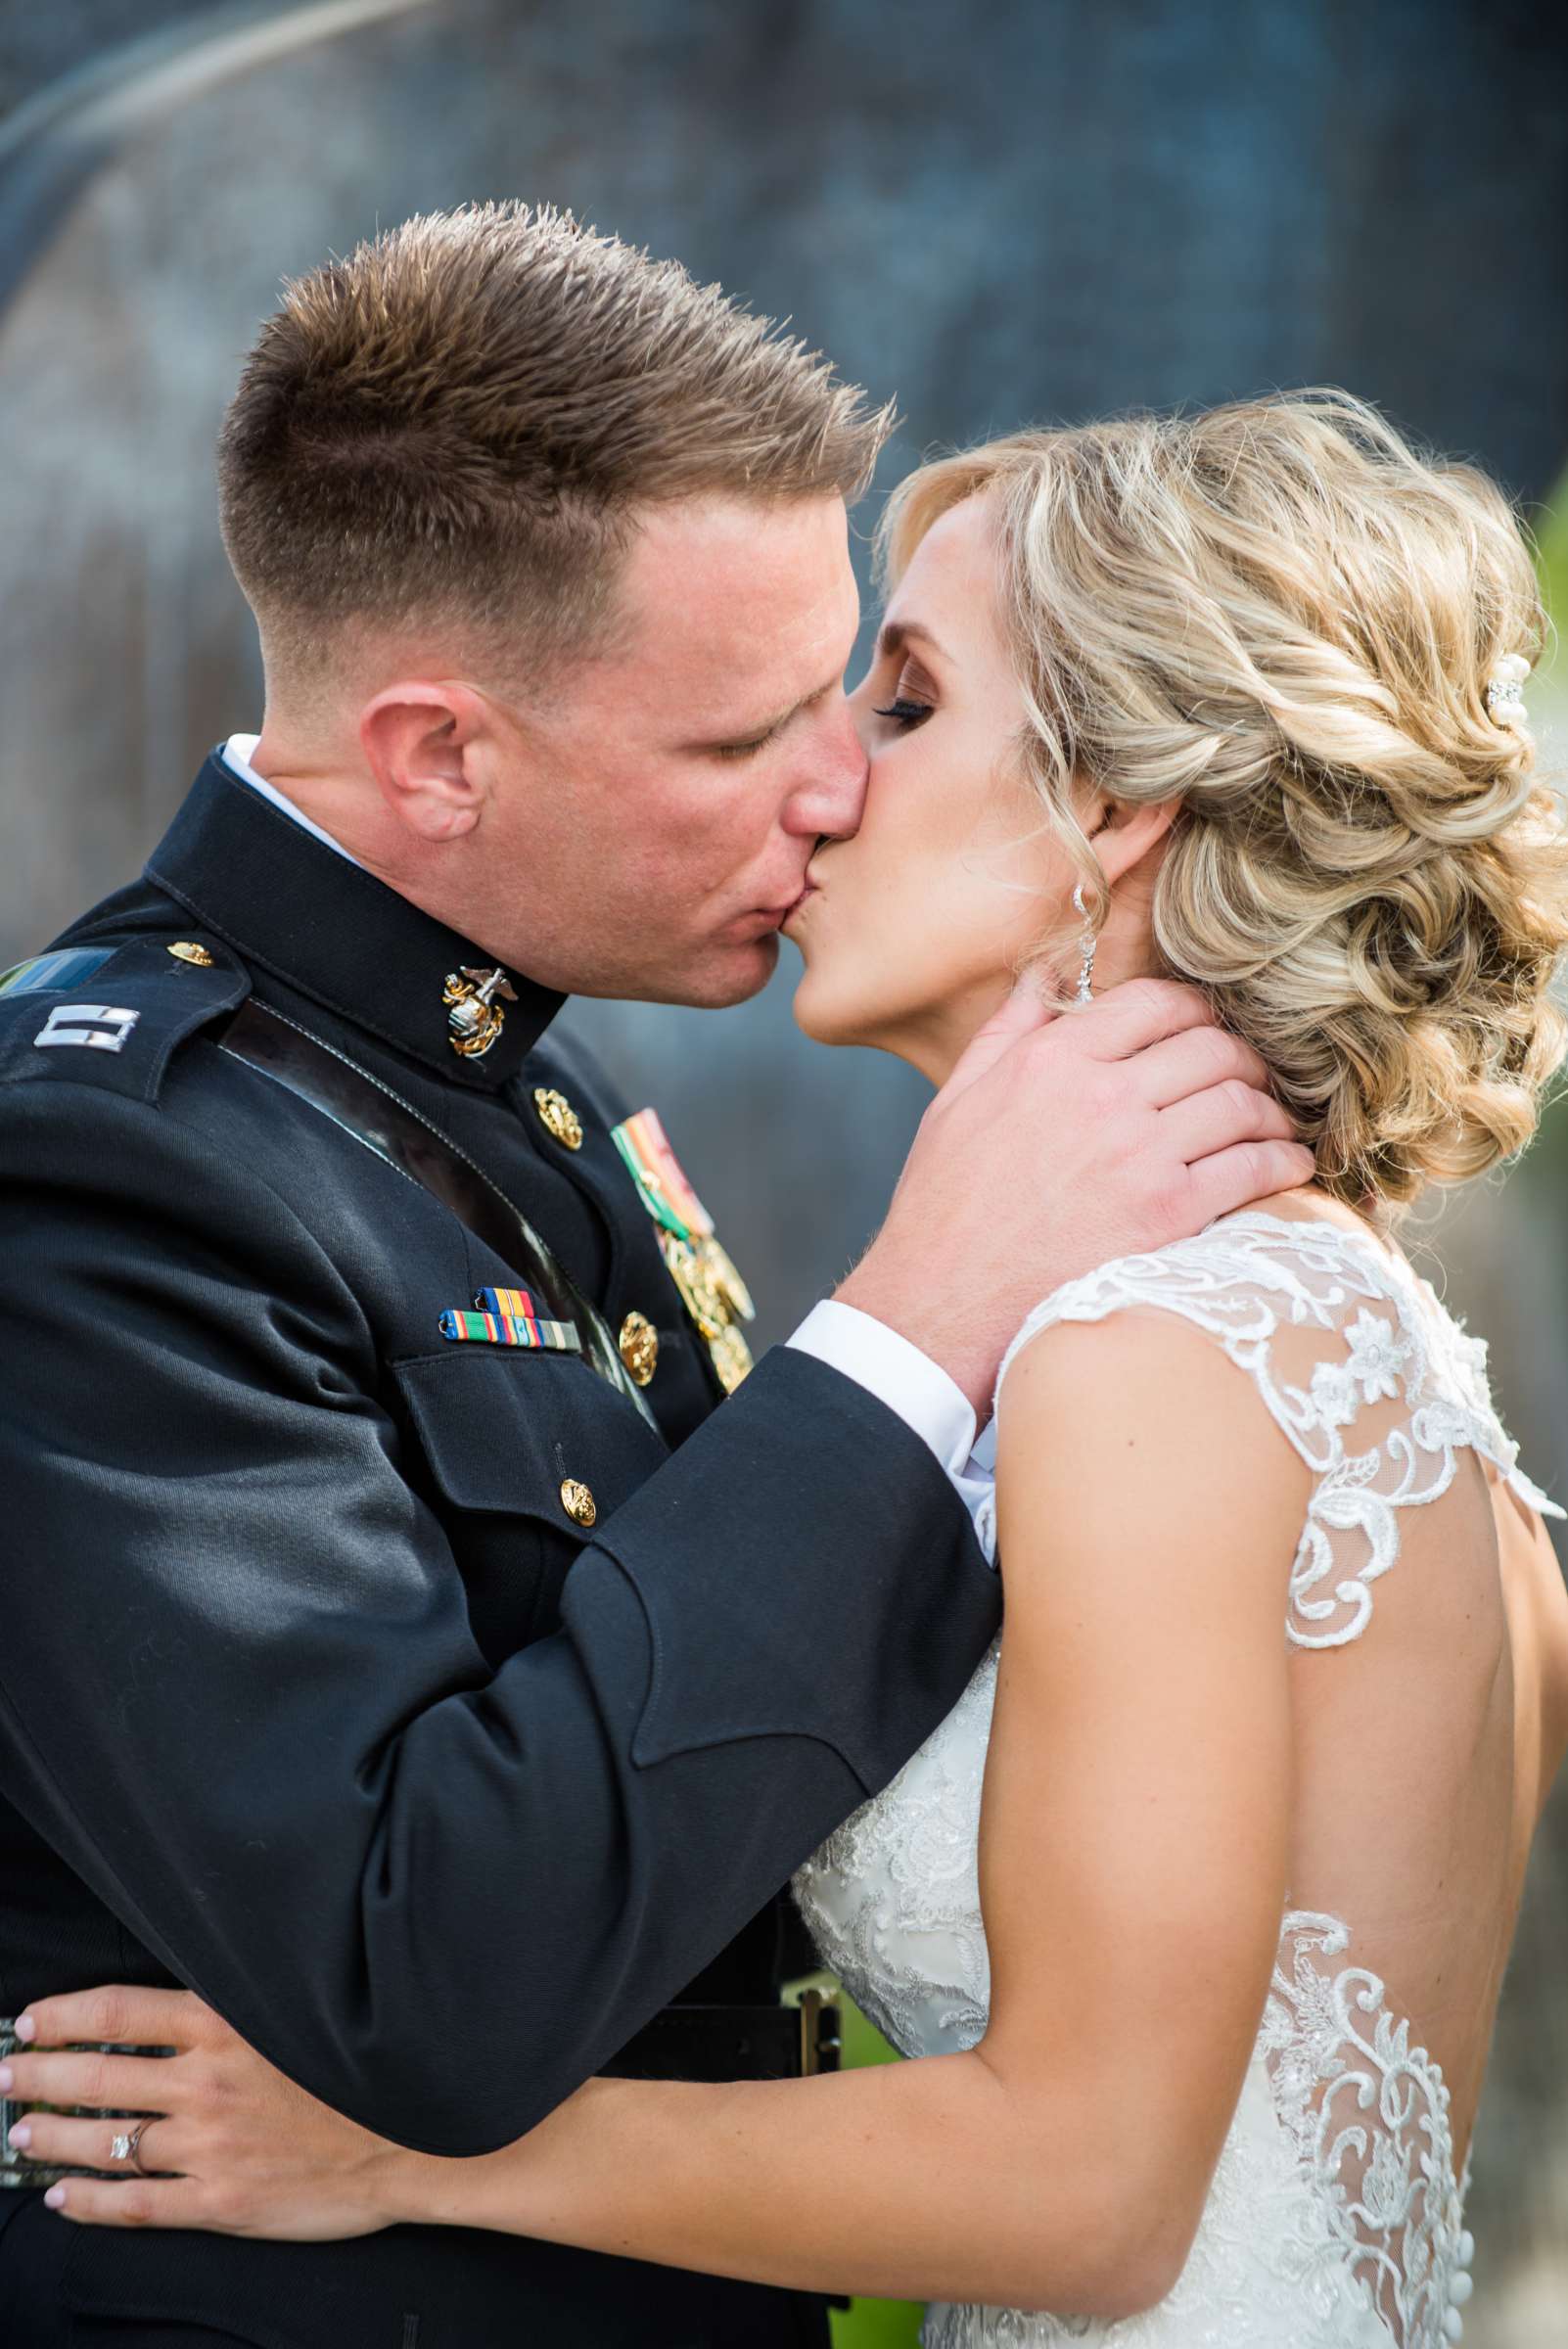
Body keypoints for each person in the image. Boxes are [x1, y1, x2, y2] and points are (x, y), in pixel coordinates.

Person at [19, 392, 1568, 2349]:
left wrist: (412, 2155)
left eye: (904, 702)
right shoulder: (1356, 1346)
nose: (827, 783)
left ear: (1114, 806)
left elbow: (1092, 2199)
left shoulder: (1156, 1356)